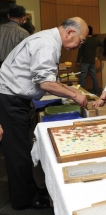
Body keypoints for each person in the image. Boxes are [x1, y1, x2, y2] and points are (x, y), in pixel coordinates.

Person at [0, 17, 88, 210]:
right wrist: (75, 95)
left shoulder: (48, 39)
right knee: (18, 152)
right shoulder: (47, 43)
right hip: (10, 98)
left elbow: (47, 78)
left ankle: (30, 190)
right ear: (70, 33)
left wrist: (70, 90)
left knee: (21, 148)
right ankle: (24, 200)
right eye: (81, 41)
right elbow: (45, 83)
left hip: (13, 97)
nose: (78, 46)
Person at [77, 25, 102, 95]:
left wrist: (78, 61)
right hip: (92, 62)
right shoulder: (95, 40)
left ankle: (81, 92)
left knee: (82, 77)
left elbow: (80, 51)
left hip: (85, 61)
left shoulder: (84, 40)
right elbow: (103, 44)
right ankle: (96, 91)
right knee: (94, 76)